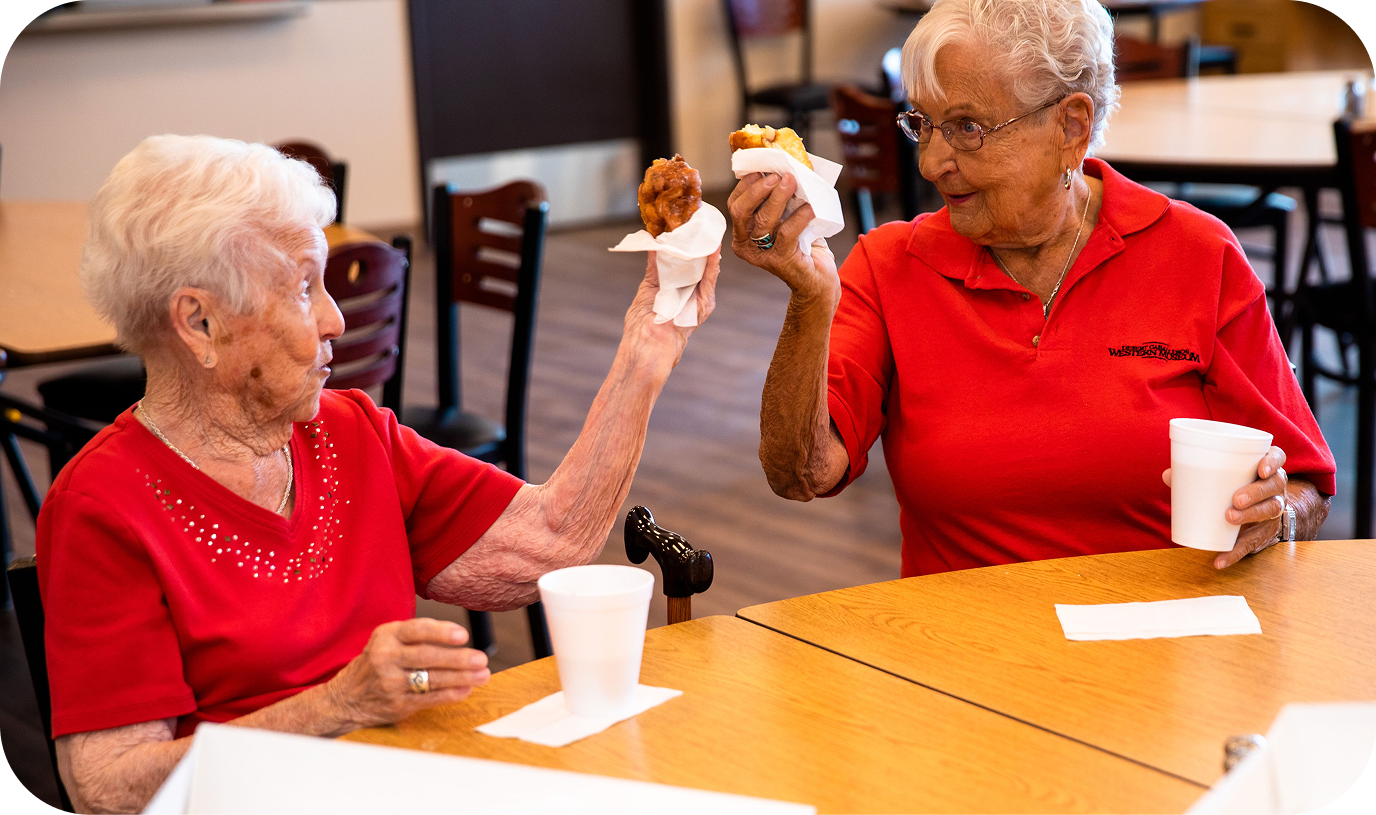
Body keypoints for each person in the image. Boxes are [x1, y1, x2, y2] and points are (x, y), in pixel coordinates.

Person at [37, 134, 720, 814]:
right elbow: (109, 788)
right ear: (200, 321)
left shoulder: (348, 431)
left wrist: (646, 350)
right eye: (304, 288)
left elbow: (551, 539)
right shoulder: (103, 504)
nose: (336, 317)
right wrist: (336, 705)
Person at [727, 0, 1333, 579]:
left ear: (1070, 126)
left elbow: (1306, 479)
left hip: (1161, 646)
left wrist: (1277, 516)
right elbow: (800, 474)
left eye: (966, 127)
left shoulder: (1198, 255)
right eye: (923, 125)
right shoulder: (890, 266)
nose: (931, 162)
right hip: (962, 656)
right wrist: (810, 300)